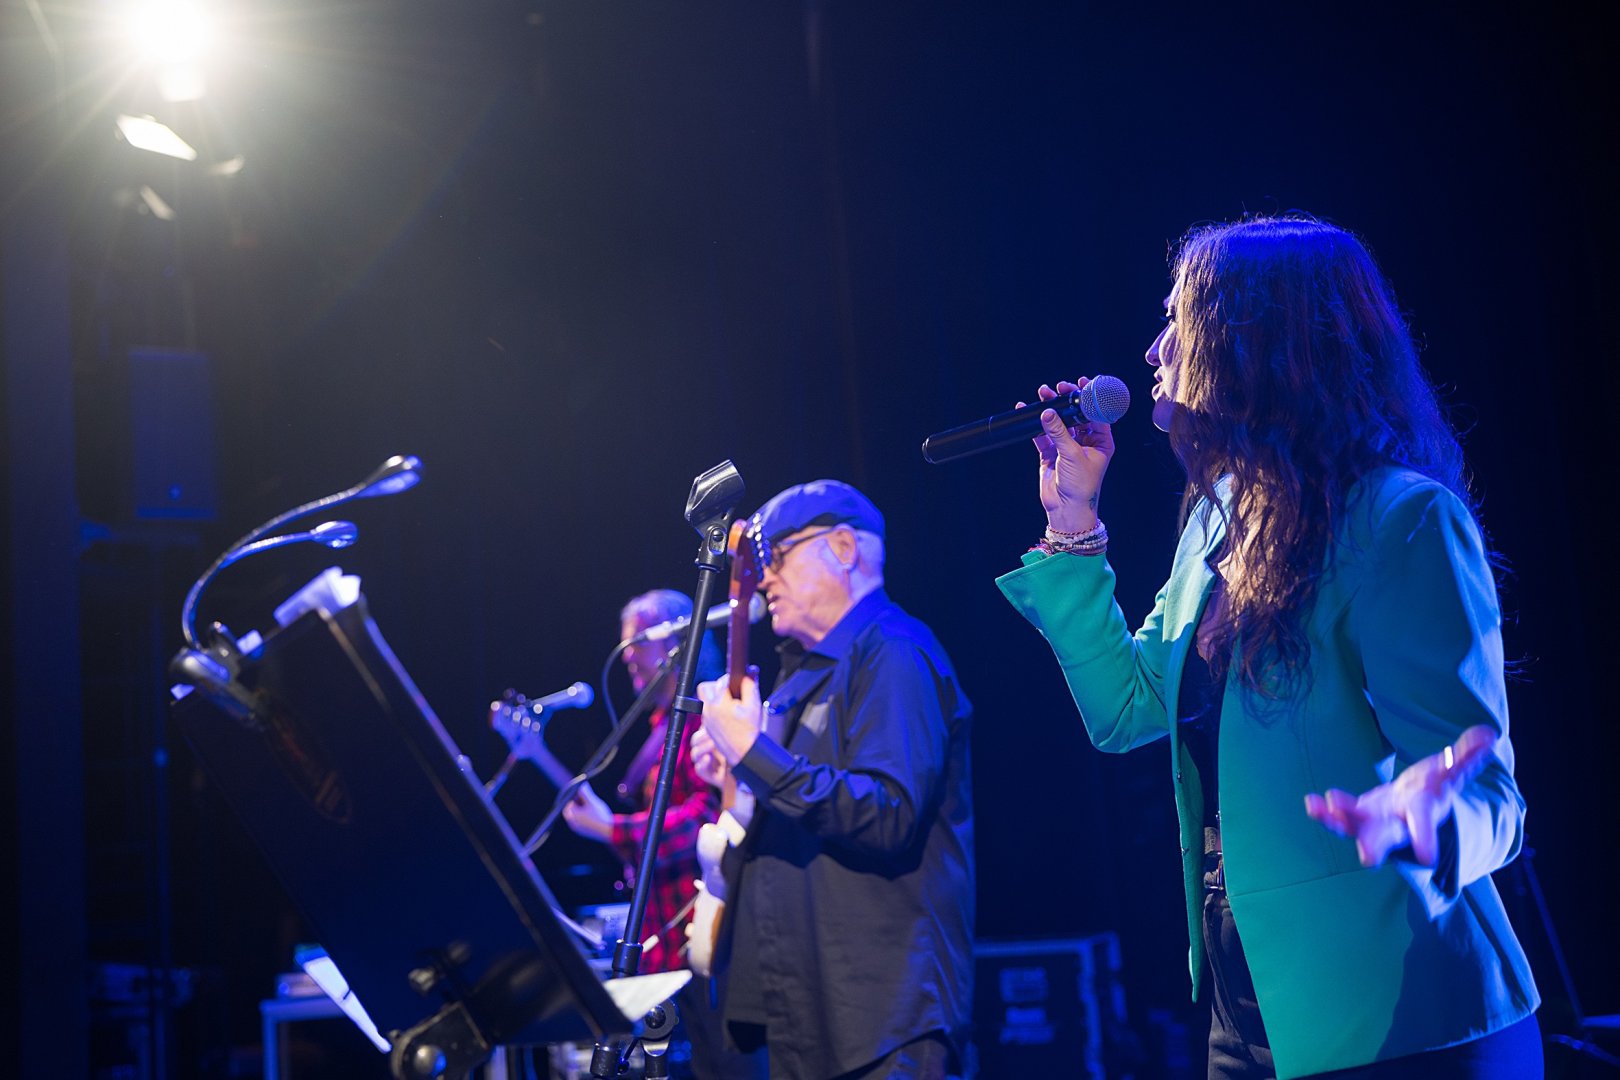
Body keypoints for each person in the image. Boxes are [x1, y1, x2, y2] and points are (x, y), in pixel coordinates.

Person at [995, 214, 1541, 1079]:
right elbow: (1126, 710)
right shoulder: (1214, 525)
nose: (1153, 349)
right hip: (1245, 1003)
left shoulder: (1398, 520)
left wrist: (1426, 820)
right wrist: (1073, 524)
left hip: (1401, 1014)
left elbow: (1489, 793)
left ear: (1257, 341)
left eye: (1177, 319)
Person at [690, 480, 975, 1080]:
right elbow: (794, 815)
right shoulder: (800, 679)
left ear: (844, 548)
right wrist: (736, 776)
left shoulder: (895, 651)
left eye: (776, 557)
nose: (763, 581)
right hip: (805, 1017)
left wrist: (753, 753)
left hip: (882, 1019)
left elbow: (888, 813)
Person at [561, 588, 765, 1080]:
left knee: (728, 1065)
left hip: (709, 933)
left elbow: (703, 819)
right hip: (667, 941)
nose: (627, 655)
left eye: (639, 641)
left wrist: (611, 829)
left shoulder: (704, 715)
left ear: (677, 642)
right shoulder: (662, 725)